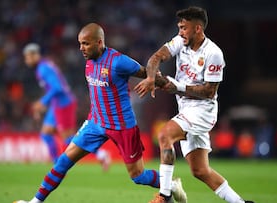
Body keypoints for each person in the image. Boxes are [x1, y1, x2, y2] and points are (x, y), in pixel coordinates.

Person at [14, 23, 187, 203]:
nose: (81, 48)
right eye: (80, 43)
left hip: (122, 126)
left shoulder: (119, 61)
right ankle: (35, 202)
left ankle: (171, 186)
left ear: (99, 42)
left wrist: (157, 82)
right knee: (63, 161)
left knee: (138, 176)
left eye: (86, 44)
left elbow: (146, 72)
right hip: (95, 123)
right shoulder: (88, 61)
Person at [135, 7, 255, 203]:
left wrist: (177, 86)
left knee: (165, 135)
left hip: (203, 110)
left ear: (197, 28)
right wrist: (150, 78)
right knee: (200, 171)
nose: (180, 32)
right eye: (179, 28)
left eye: (184, 28)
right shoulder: (180, 42)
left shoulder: (213, 53)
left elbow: (209, 92)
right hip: (186, 108)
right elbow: (156, 57)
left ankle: (164, 196)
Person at [23, 43, 110, 169]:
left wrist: (43, 102)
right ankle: (56, 164)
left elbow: (57, 88)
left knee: (68, 138)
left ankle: (100, 154)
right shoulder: (44, 66)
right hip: (56, 104)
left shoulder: (43, 69)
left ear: (34, 55)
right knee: (46, 133)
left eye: (28, 57)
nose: (27, 60)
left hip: (63, 104)